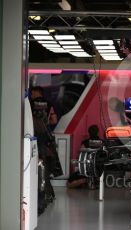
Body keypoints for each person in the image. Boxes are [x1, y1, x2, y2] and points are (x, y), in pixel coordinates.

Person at [30, 86, 63, 215]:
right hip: (48, 138)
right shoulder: (50, 104)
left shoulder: (30, 104)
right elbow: (53, 120)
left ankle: (44, 197)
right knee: (46, 167)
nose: (31, 95)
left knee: (38, 168)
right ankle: (49, 195)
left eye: (32, 93)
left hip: (35, 138)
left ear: (35, 92)